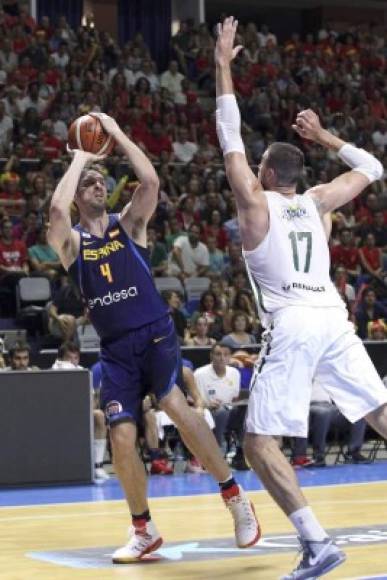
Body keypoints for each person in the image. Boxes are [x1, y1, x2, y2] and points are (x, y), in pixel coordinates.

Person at [215, 17, 387, 580]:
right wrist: (328, 138)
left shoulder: (256, 204)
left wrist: (222, 65)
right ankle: (314, 543)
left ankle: (316, 543)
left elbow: (230, 138)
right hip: (334, 318)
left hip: (291, 320)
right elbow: (373, 167)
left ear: (266, 172)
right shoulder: (318, 203)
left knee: (258, 443)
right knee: (379, 410)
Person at [48, 111, 259, 563]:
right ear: (78, 196)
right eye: (90, 184)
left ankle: (235, 497)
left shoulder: (130, 225)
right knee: (123, 438)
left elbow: (150, 181)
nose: (99, 186)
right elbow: (54, 211)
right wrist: (79, 158)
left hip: (155, 334)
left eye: (102, 181)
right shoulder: (72, 244)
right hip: (116, 350)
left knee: (175, 406)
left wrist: (117, 134)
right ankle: (143, 529)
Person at [52, 342, 110, 481]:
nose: (72, 362)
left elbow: (93, 401)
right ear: (60, 359)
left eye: (75, 358)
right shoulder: (54, 371)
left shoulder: (83, 372)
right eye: (69, 358)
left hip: (80, 413)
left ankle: (98, 466)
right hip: (57, 415)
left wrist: (92, 401)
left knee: (99, 416)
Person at [291, 379, 369, 468]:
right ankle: (318, 456)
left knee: (359, 413)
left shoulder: (326, 372)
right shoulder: (300, 372)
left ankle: (353, 452)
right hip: (308, 406)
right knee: (323, 413)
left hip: (329, 406)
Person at [194, 343, 241, 453]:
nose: (222, 358)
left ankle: (241, 449)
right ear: (211, 356)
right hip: (208, 411)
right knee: (221, 412)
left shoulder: (235, 373)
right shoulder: (199, 374)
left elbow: (235, 398)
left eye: (226, 354)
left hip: (230, 409)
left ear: (230, 357)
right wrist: (207, 404)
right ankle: (218, 447)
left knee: (246, 411)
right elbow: (191, 401)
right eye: (218, 354)